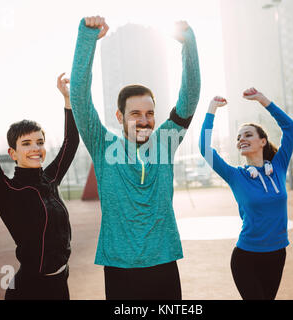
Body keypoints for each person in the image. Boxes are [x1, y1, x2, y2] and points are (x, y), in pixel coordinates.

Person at [70, 16, 200, 300]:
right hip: (120, 267)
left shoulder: (165, 142)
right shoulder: (102, 145)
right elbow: (79, 97)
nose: (144, 120)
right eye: (135, 114)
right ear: (119, 117)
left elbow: (189, 98)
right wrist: (87, 39)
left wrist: (188, 44)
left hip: (164, 260)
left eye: (150, 113)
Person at [0, 48, 80, 300]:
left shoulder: (50, 179)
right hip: (29, 290)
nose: (35, 148)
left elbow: (71, 142)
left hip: (61, 284)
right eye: (26, 144)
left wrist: (68, 100)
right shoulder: (7, 191)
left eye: (39, 142)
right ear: (13, 152)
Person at [199, 88, 293, 300]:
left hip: (278, 253)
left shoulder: (278, 166)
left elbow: (290, 127)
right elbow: (205, 148)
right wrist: (211, 110)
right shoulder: (235, 176)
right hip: (246, 258)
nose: (242, 139)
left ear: (263, 141)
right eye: (239, 137)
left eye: (248, 134)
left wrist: (263, 100)